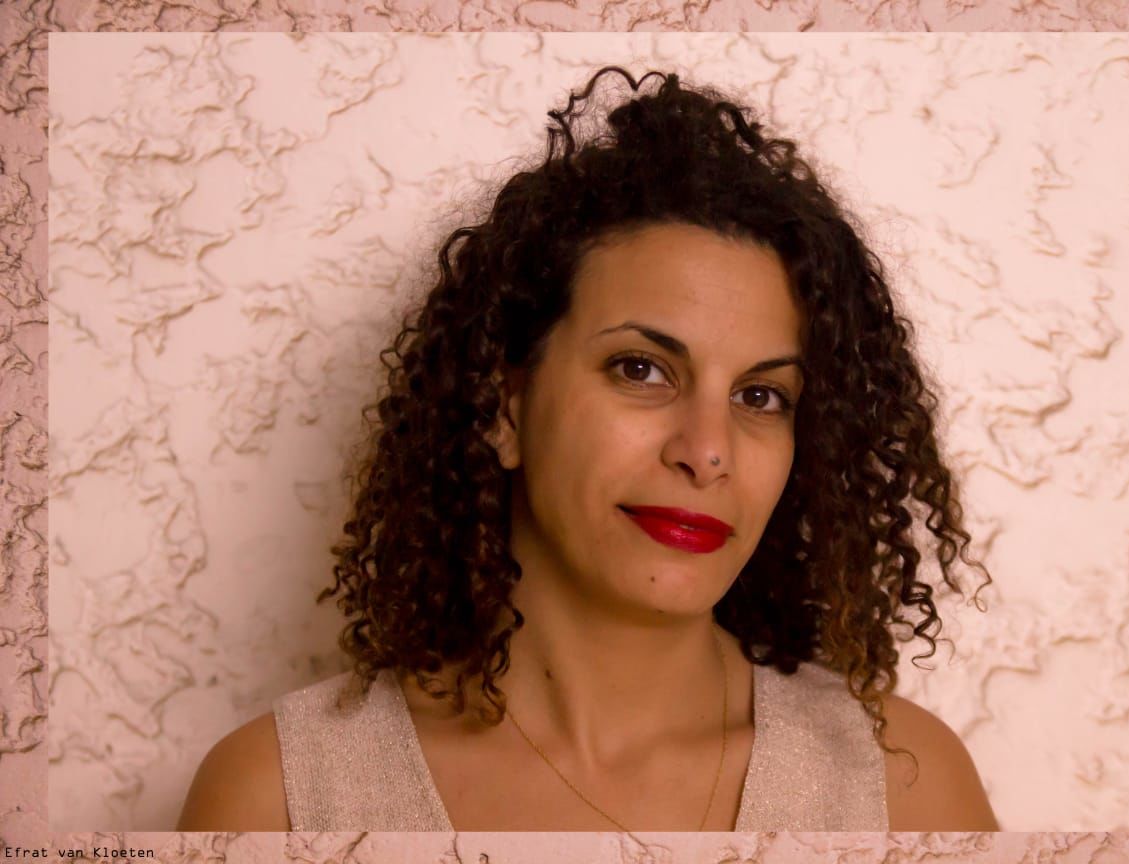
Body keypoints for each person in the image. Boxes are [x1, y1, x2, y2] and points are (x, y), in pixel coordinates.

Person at [177, 66, 997, 832]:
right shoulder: (280, 797)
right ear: (505, 407)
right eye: (641, 369)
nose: (707, 451)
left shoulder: (901, 786)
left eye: (759, 396)